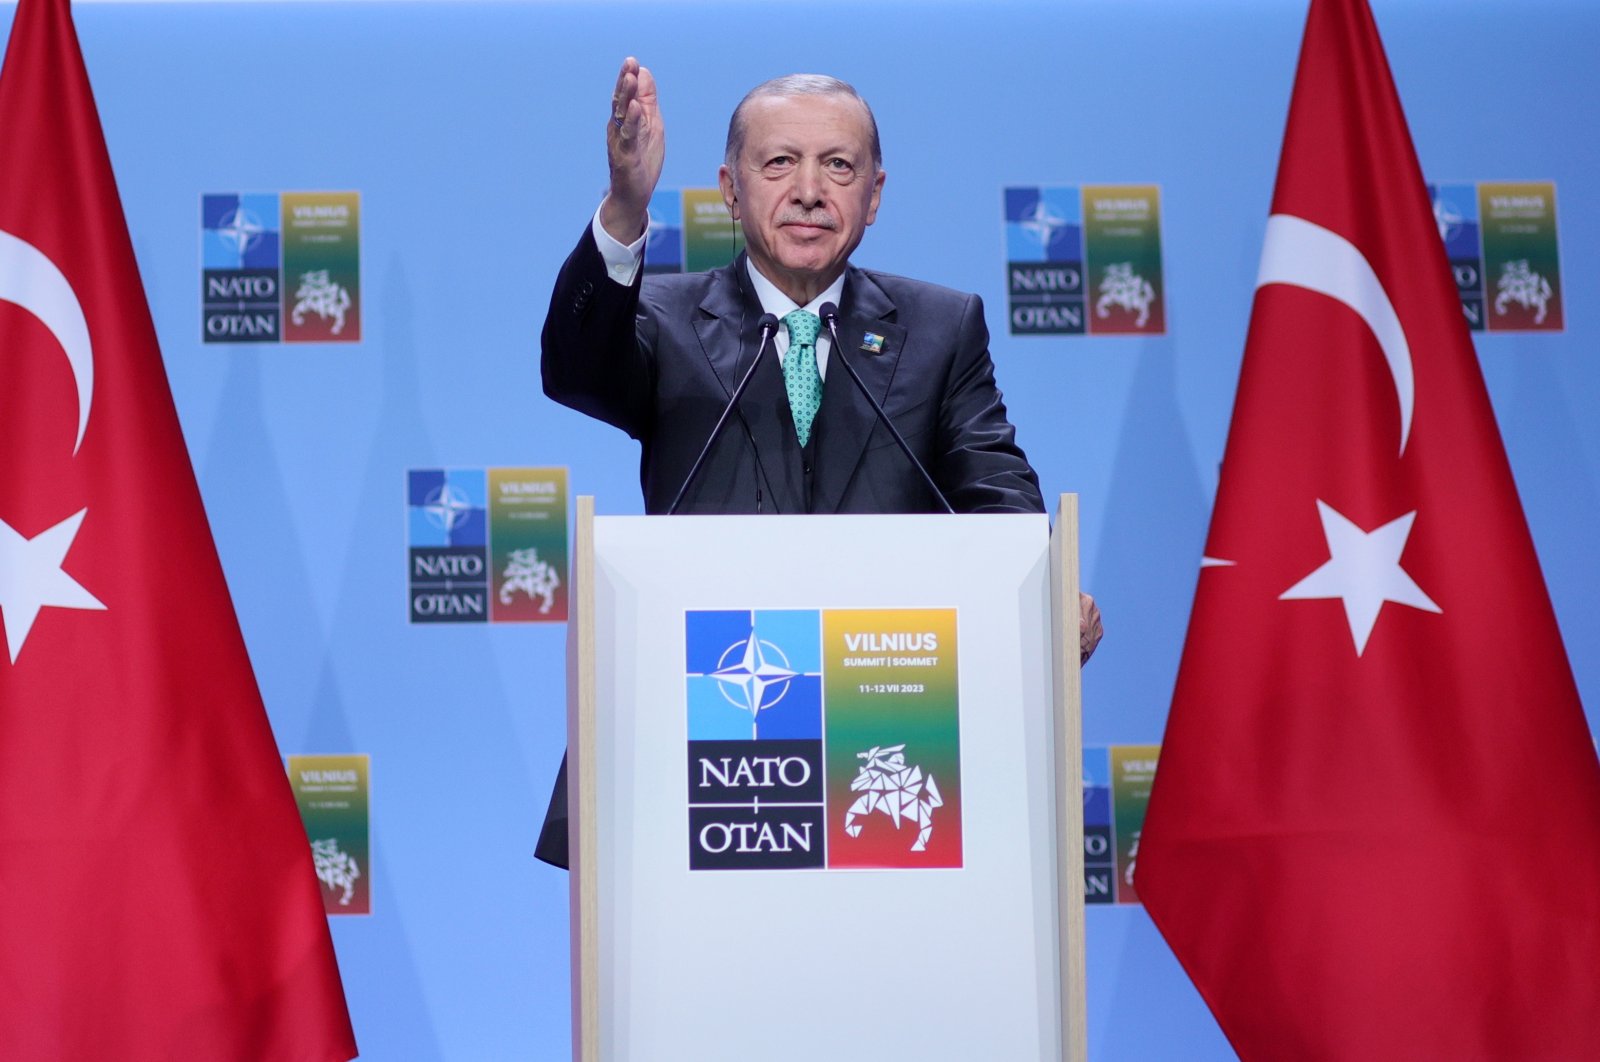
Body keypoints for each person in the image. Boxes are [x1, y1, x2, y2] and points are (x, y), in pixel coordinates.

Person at [535, 59, 1103, 868]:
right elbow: (576, 370)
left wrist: (1046, 590)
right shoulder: (661, 318)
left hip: (883, 721)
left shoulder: (941, 328)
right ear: (730, 190)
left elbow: (996, 494)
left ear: (874, 193)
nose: (809, 190)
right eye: (779, 164)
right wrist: (627, 207)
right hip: (707, 721)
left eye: (838, 165)